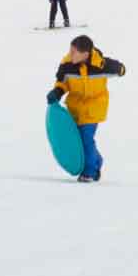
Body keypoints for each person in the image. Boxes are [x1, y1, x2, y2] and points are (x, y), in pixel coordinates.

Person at [46, 34, 127, 182]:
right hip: (75, 108)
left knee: (86, 139)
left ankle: (90, 172)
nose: (70, 54)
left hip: (93, 108)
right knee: (77, 140)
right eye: (70, 50)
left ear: (85, 54)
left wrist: (120, 69)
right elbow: (62, 83)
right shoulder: (67, 64)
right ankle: (96, 161)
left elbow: (120, 70)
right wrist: (57, 92)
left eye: (74, 52)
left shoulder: (100, 65)